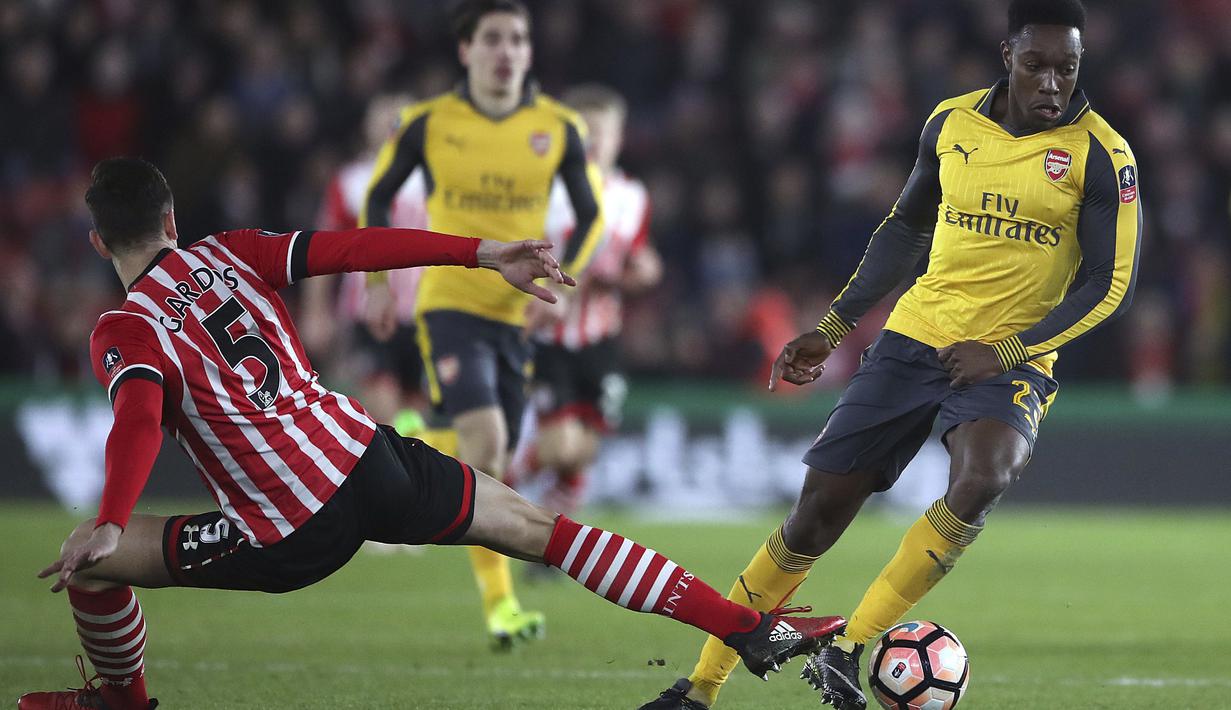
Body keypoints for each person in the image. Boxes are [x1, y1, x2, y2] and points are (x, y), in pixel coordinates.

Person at [19, 158, 843, 710]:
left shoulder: (123, 328)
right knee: (540, 529)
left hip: (286, 529)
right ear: (171, 217)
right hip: (370, 459)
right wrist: (479, 252)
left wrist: (114, 518)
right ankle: (747, 626)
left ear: (97, 242)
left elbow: (137, 420)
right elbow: (353, 248)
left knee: (94, 567)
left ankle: (119, 701)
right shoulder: (232, 254)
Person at [639, 1, 1141, 708]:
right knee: (813, 518)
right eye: (1036, 64)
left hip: (1012, 356)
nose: (1052, 83)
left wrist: (1006, 351)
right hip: (915, 336)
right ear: (1007, 55)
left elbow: (1108, 282)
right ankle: (698, 689)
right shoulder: (949, 123)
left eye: (1067, 67)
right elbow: (904, 227)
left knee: (984, 475)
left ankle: (848, 648)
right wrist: (834, 326)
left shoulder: (1101, 153)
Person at [360, 0, 605, 647]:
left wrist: (566, 275)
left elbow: (589, 214)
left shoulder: (557, 126)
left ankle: (410, 437)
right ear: (466, 50)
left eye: (518, 40)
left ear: (529, 52)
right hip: (450, 303)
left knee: (488, 463)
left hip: (515, 313)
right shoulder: (429, 123)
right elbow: (378, 196)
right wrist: (378, 280)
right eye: (493, 38)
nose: (507, 51)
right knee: (489, 446)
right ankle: (500, 608)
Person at [517, 83, 662, 518]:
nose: (596, 141)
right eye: (586, 131)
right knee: (560, 446)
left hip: (602, 337)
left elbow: (638, 259)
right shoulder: (547, 193)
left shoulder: (633, 197)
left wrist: (642, 272)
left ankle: (550, 542)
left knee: (582, 452)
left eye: (605, 131)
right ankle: (500, 479)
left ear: (620, 137)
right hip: (550, 337)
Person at [298, 93, 430, 430]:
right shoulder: (352, 181)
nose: (389, 123)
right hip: (367, 313)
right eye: (381, 116)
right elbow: (321, 249)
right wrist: (316, 309)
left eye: (398, 116)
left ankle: (409, 468)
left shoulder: (438, 181)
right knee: (383, 407)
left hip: (425, 314)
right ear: (366, 126)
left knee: (415, 411)